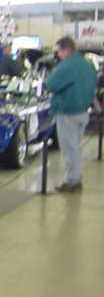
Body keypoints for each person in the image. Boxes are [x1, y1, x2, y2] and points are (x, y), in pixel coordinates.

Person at [46, 36, 97, 192]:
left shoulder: (66, 66)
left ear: (66, 50)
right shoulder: (88, 65)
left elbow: (51, 84)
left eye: (59, 51)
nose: (58, 55)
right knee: (75, 147)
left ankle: (73, 181)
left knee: (69, 149)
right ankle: (76, 178)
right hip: (83, 112)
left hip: (67, 112)